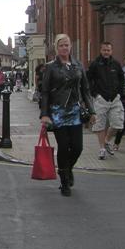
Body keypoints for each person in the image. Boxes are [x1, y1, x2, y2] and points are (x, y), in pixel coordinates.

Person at [40, 34, 96, 196]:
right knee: (64, 147)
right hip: (57, 112)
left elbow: (85, 89)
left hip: (75, 112)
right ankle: (64, 182)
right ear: (57, 48)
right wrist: (44, 114)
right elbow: (44, 92)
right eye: (61, 45)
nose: (65, 48)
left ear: (71, 46)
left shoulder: (78, 65)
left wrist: (92, 110)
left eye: (67, 45)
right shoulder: (51, 67)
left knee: (77, 147)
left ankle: (67, 169)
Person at [86, 41, 125, 160]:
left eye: (108, 50)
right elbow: (88, 80)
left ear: (111, 51)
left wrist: (119, 93)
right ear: (101, 50)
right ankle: (102, 149)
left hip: (115, 99)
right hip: (100, 99)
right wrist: (95, 94)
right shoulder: (95, 64)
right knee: (100, 125)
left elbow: (121, 80)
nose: (106, 52)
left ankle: (107, 140)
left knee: (118, 124)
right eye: (104, 50)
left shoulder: (116, 64)